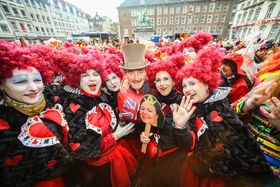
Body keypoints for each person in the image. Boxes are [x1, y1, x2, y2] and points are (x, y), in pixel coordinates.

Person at [175, 46, 274, 187]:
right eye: (184, 86)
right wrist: (180, 127)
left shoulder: (219, 109)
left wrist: (249, 103)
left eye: (192, 83)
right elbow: (187, 145)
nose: (187, 89)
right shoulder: (191, 109)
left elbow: (238, 149)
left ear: (207, 85)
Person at [53, 50, 137, 187]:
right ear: (77, 79)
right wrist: (115, 136)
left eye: (96, 74)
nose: (92, 79)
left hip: (117, 156)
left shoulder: (102, 96)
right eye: (85, 75)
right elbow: (81, 148)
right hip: (97, 168)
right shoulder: (73, 107)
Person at [0, 41, 72, 186]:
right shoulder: (4, 125)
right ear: (2, 85)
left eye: (37, 80)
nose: (33, 88)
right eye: (20, 82)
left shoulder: (54, 98)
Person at [139, 55, 194, 186]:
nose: (162, 84)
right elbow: (150, 126)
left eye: (166, 79)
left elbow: (188, 144)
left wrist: (180, 127)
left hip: (174, 163)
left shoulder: (184, 102)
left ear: (174, 81)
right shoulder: (153, 100)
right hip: (155, 158)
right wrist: (145, 136)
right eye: (158, 80)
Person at [233, 50, 280, 184]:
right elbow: (231, 112)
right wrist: (248, 103)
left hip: (270, 175)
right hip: (240, 159)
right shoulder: (269, 83)